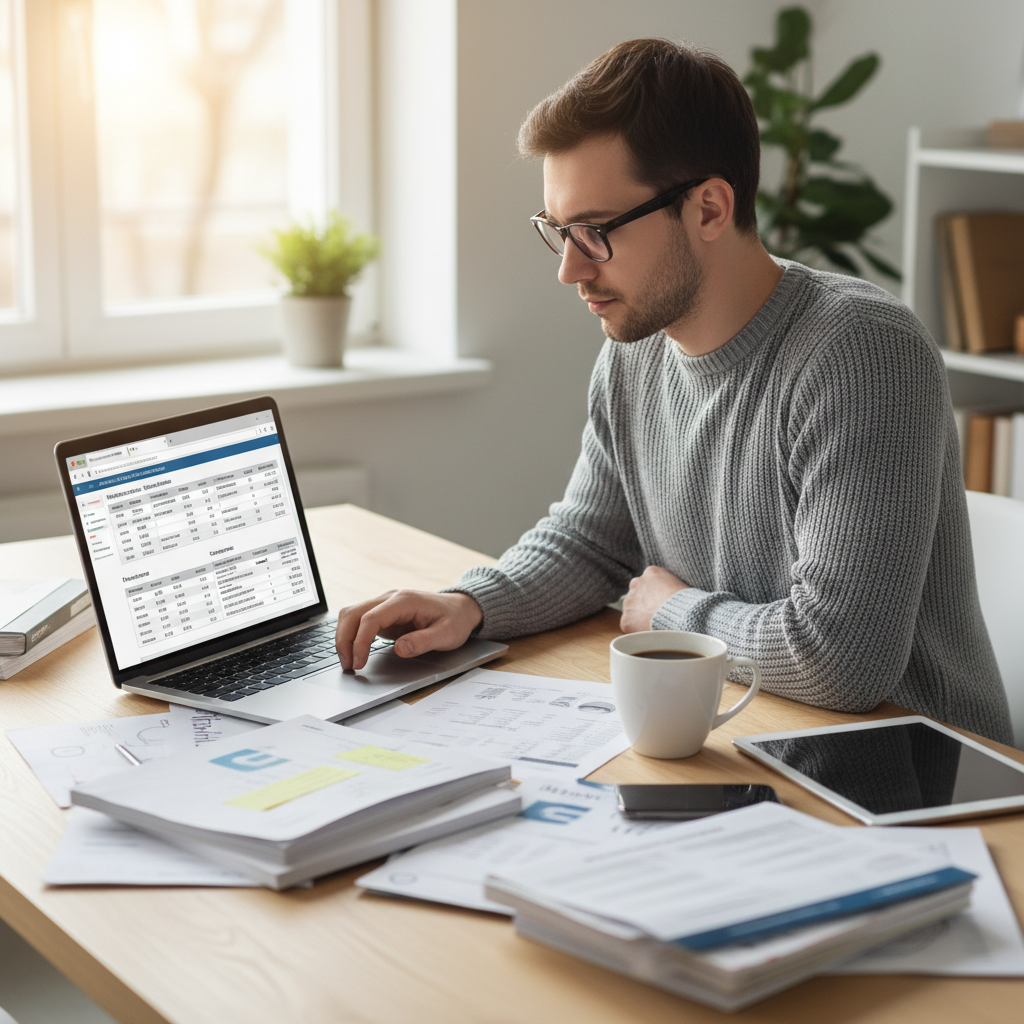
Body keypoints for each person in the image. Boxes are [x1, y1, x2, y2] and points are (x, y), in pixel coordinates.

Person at [335, 38, 1012, 743]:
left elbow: (841, 660)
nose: (569, 269)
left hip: (916, 776)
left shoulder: (861, 353)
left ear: (710, 209)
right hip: (752, 735)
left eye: (595, 232)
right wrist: (468, 603)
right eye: (558, 230)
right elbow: (591, 544)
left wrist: (672, 611)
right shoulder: (636, 354)